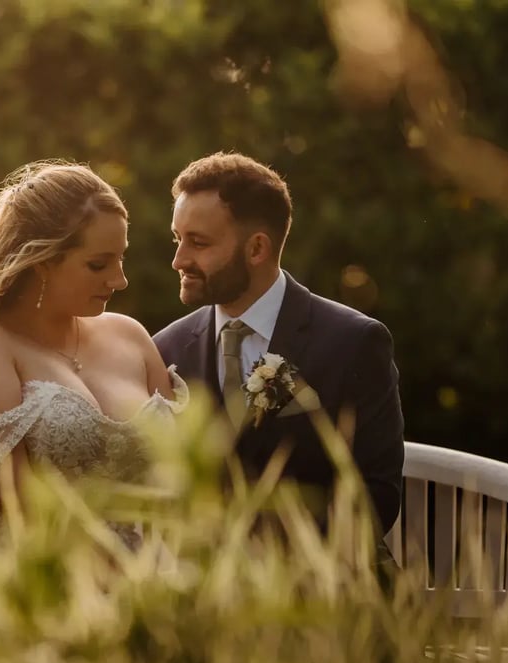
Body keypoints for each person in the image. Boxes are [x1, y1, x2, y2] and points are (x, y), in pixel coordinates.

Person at [0, 161, 187, 575]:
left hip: (137, 569)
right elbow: (16, 506)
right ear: (42, 260)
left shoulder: (129, 336)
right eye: (98, 264)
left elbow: (181, 473)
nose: (120, 280)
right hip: (14, 576)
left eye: (121, 259)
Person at [152, 152, 404, 556]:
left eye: (198, 242)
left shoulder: (354, 343)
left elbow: (376, 497)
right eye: (177, 239)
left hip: (329, 593)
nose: (179, 259)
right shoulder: (165, 350)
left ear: (256, 249)